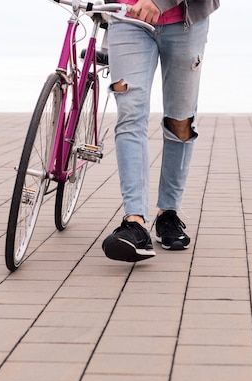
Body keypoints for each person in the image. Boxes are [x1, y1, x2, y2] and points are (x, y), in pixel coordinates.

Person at [102, 0, 219, 262]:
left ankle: (168, 213)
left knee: (181, 122)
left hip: (185, 22)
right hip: (127, 18)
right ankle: (135, 222)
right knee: (130, 115)